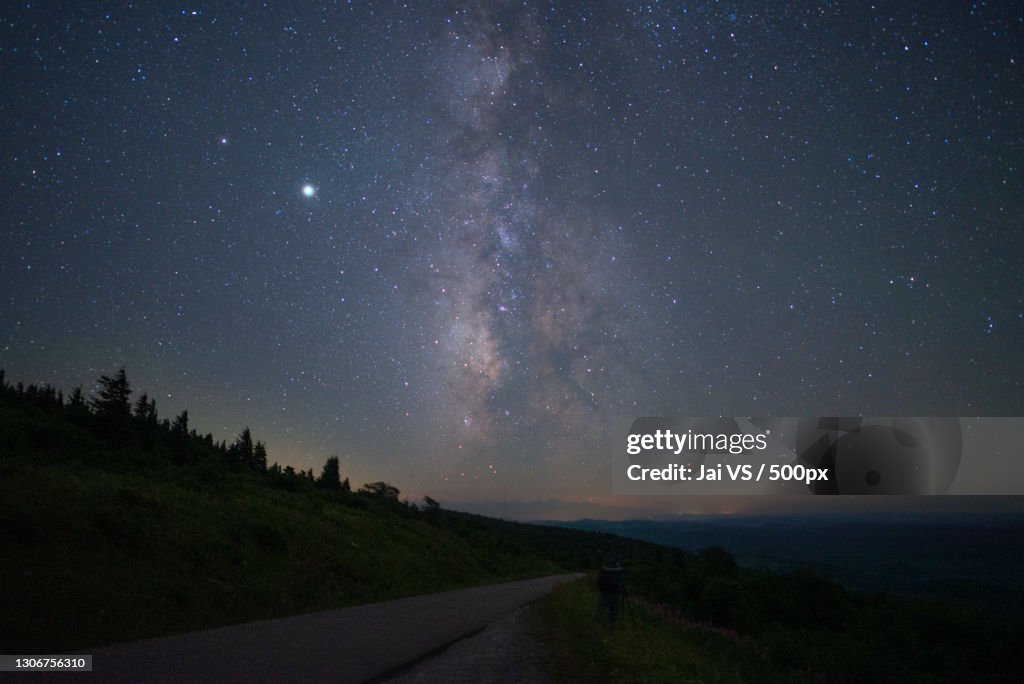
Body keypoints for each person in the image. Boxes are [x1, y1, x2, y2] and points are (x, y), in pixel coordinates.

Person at [596, 553, 625, 626]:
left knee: (600, 610)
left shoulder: (604, 569)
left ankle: (597, 625)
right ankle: (612, 626)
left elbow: (598, 580)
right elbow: (622, 580)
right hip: (616, 594)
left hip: (605, 593)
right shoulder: (619, 570)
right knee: (614, 612)